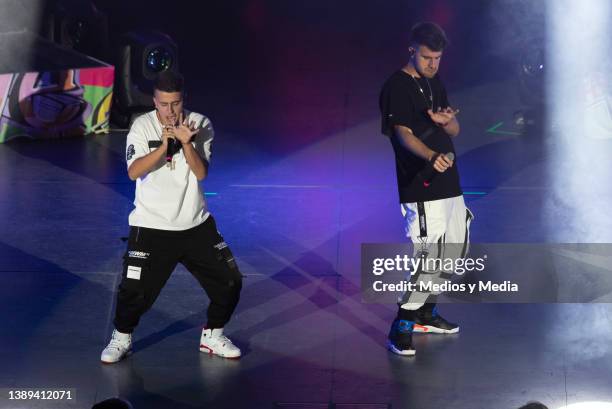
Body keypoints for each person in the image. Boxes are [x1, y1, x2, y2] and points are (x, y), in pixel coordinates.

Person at [101, 71, 242, 363]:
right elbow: (133, 171)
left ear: (183, 101)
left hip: (195, 224)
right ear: (155, 102)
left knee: (230, 281)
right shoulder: (141, 126)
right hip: (151, 225)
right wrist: (165, 146)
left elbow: (201, 173)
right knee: (134, 291)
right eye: (164, 104)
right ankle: (122, 336)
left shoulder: (200, 123)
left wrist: (186, 143)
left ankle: (213, 334)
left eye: (175, 104)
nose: (170, 111)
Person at [379, 22, 473, 356]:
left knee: (454, 252)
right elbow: (402, 134)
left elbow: (456, 129)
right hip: (421, 187)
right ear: (412, 50)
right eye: (427, 57)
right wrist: (432, 155)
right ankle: (401, 326)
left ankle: (425, 314)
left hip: (451, 183)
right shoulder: (397, 86)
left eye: (438, 58)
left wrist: (448, 122)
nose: (433, 64)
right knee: (427, 259)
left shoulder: (435, 82)